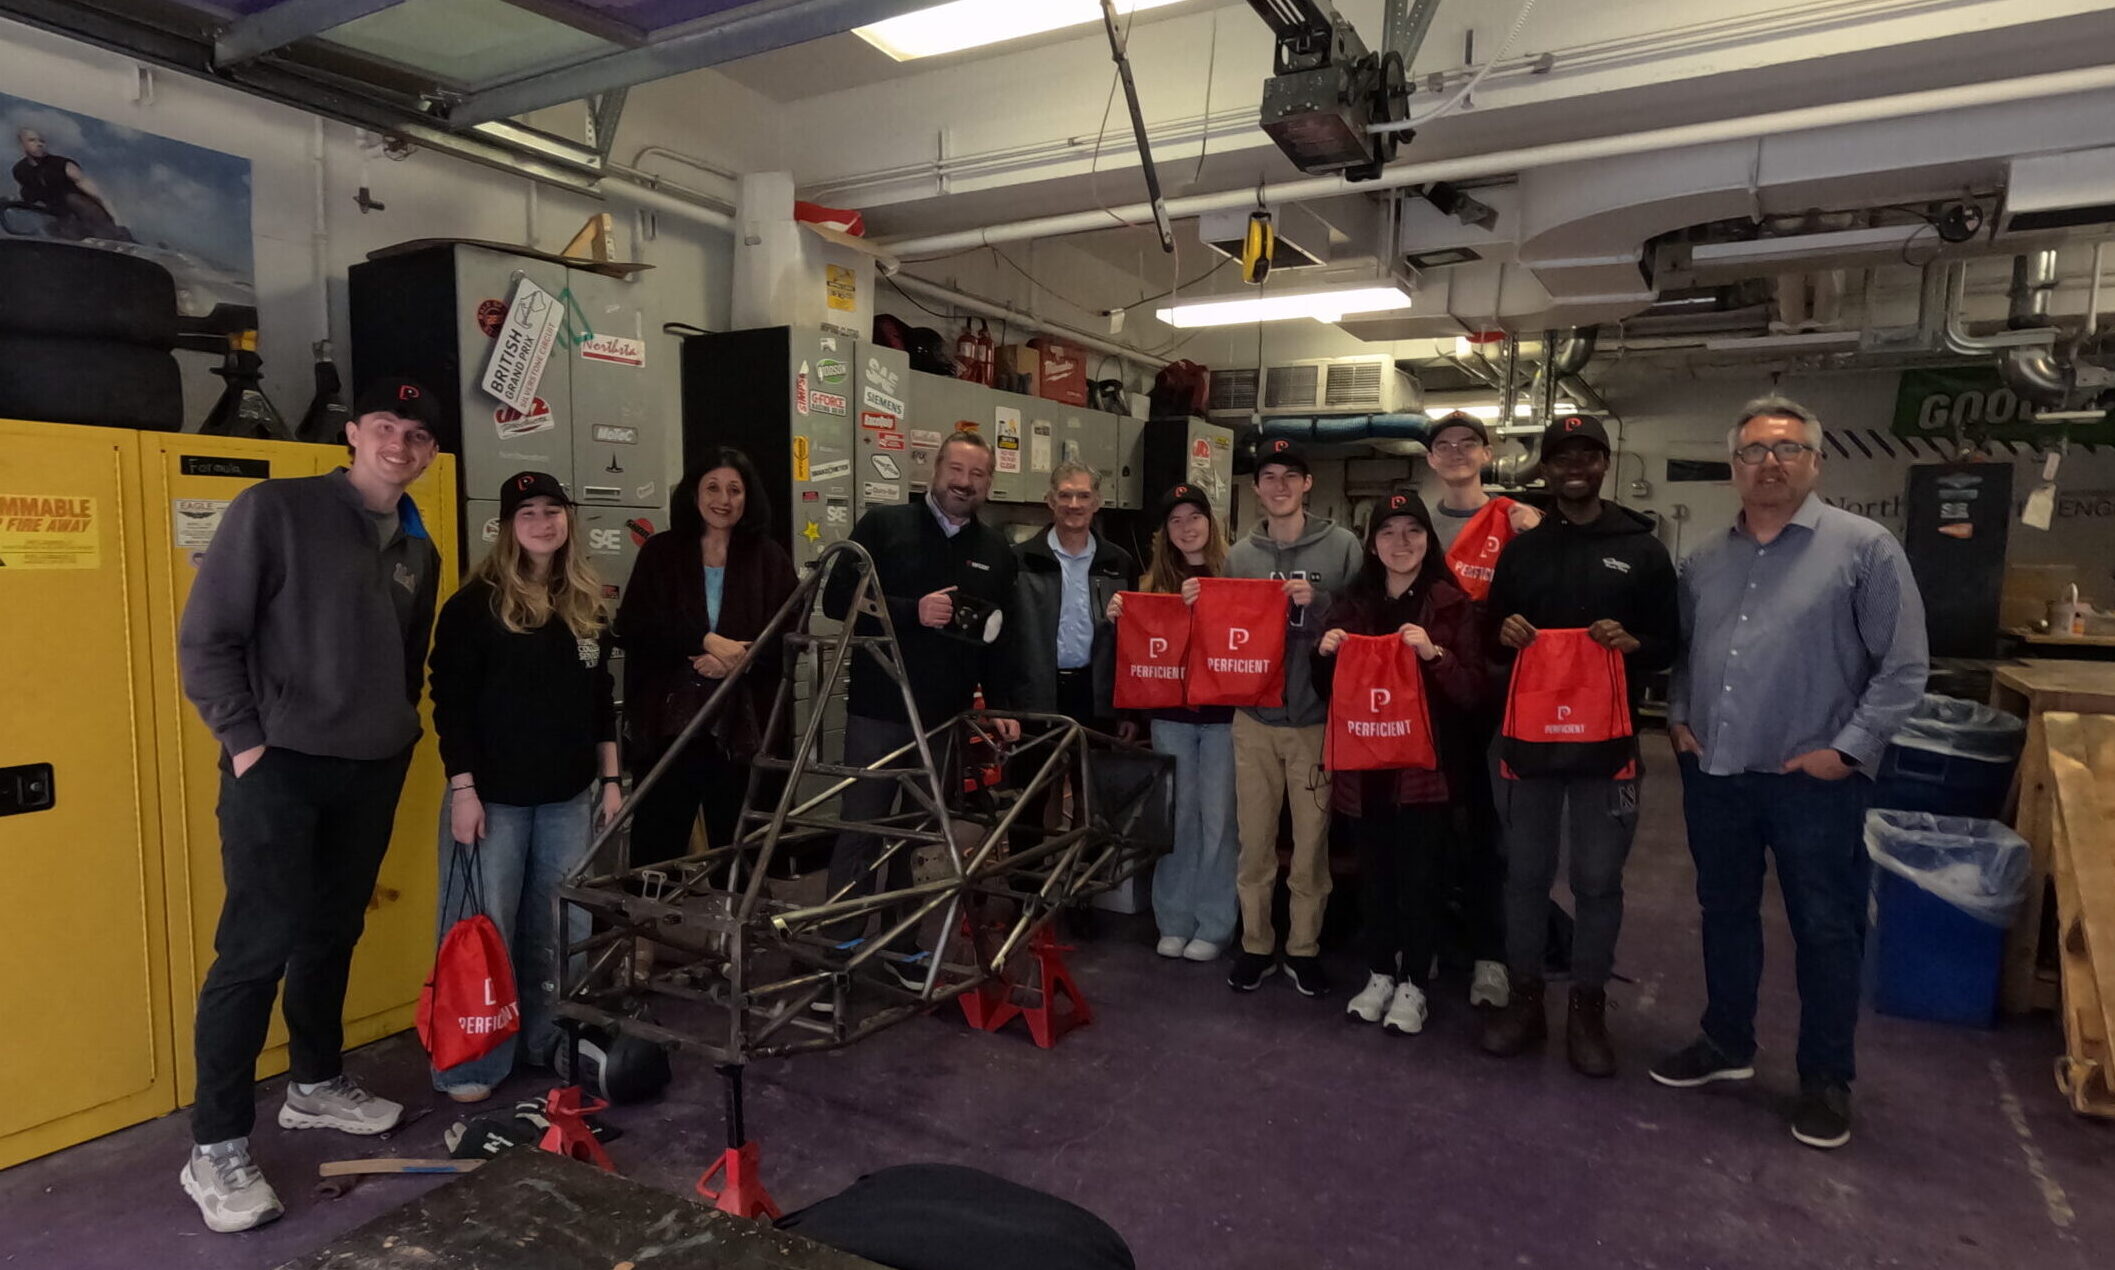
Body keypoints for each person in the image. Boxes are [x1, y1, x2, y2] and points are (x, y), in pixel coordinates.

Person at [175, 377, 442, 1233]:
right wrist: (249, 745)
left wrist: (395, 734)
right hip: (278, 767)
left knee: (333, 930)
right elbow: (207, 639)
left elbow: (409, 658)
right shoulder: (275, 510)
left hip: (369, 767)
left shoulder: (417, 547)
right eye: (386, 426)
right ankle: (214, 1145)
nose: (401, 443)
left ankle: (315, 1084)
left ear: (431, 454)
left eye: (418, 435)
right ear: (355, 433)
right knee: (255, 949)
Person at [1651, 396, 1928, 1151]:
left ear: (1814, 461)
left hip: (1815, 780)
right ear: (1733, 465)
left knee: (1826, 928)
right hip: (1715, 772)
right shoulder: (1704, 560)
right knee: (1725, 912)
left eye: (1786, 448)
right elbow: (1686, 652)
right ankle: (1726, 1044)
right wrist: (1677, 717)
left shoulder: (1864, 549)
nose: (1769, 462)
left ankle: (1824, 1078)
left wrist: (1845, 751)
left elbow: (1902, 669)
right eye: (1753, 451)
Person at [1479, 413, 1678, 1077]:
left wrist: (1634, 645)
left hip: (1606, 745)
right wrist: (1502, 631)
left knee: (1597, 879)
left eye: (1586, 454)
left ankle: (1587, 1009)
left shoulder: (1641, 549)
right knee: (1524, 877)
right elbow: (1487, 634)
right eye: (1561, 455)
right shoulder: (1523, 549)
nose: (1573, 466)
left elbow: (1670, 643)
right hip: (1527, 742)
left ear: (1603, 463)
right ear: (1545, 466)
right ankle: (1525, 1000)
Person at [427, 472, 623, 1104]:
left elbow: (601, 702)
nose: (543, 522)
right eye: (528, 513)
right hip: (494, 802)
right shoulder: (474, 606)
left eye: (553, 510)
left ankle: (549, 1040)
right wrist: (463, 789)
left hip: (568, 797)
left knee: (562, 928)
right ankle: (472, 1063)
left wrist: (612, 782)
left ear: (569, 518)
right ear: (507, 526)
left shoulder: (586, 602)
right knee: (483, 930)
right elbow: (450, 704)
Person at [821, 432, 1020, 986]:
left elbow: (998, 636)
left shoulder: (994, 550)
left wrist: (1000, 705)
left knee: (913, 837)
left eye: (977, 474)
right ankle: (836, 953)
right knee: (859, 831)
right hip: (877, 712)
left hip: (943, 717)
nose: (964, 482)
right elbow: (836, 600)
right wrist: (912, 610)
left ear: (988, 483)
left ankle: (901, 945)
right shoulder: (884, 527)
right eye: (956, 469)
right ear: (934, 469)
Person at [1313, 493, 1487, 1034]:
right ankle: (1379, 972)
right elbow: (1328, 692)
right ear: (1372, 543)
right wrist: (1324, 653)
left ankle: (1415, 981)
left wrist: (1436, 655)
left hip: (1425, 774)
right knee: (1376, 877)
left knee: (1422, 878)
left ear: (1428, 542)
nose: (1401, 543)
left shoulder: (1450, 604)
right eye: (1389, 532)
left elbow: (1474, 692)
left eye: (1413, 531)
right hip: (1366, 770)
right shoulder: (1352, 603)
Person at [1225, 438, 1364, 997]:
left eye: (1291, 475)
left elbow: (1363, 623)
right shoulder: (1239, 556)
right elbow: (1223, 634)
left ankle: (1303, 948)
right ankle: (1256, 944)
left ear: (1309, 484)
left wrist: (1321, 603)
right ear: (1256, 489)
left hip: (1314, 723)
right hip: (1253, 723)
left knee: (1310, 848)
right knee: (1253, 844)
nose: (1279, 485)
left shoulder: (1344, 548)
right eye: (1268, 476)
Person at [616, 448, 798, 867]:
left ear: (748, 497)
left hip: (744, 729)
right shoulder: (661, 552)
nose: (724, 499)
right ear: (693, 494)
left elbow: (793, 630)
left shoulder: (768, 556)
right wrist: (705, 640)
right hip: (670, 725)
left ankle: (733, 934)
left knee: (741, 853)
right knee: (657, 850)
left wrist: (740, 658)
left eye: (735, 489)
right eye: (712, 487)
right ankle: (651, 930)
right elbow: (634, 625)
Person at [1423, 410, 1541, 1010]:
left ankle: (1491, 956)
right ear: (1430, 460)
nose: (1456, 452)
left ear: (1488, 453)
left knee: (1489, 829)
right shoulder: (1413, 525)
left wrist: (1538, 531)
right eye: (1444, 445)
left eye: (1468, 443)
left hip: (1491, 699)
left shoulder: (1515, 522)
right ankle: (1437, 944)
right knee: (1430, 828)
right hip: (1425, 698)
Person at [1107, 484, 1239, 962]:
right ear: (1165, 532)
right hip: (1170, 717)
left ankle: (1216, 921)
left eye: (1195, 517)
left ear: (1211, 521)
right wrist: (1120, 617)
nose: (1187, 528)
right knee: (1178, 818)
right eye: (1176, 521)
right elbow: (1134, 648)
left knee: (1220, 819)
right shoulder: (1149, 585)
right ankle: (1175, 917)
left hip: (1225, 716)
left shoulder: (1236, 573)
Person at [995, 461, 1135, 731]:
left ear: (1097, 502)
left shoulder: (1119, 563)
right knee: (1036, 773)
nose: (1074, 504)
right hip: (1034, 699)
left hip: (1097, 699)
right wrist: (1003, 705)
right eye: (1065, 495)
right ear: (1049, 500)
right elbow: (1003, 639)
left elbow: (1130, 644)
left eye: (1083, 496)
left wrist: (1128, 713)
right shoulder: (1019, 560)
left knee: (1093, 773)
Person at [13, 127, 128, 241]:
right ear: (22, 145)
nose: (39, 144)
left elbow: (100, 196)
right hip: (64, 219)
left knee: (72, 199)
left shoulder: (63, 165)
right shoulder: (20, 170)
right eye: (32, 140)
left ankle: (115, 239)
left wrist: (118, 222)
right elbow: (30, 197)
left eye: (41, 141)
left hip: (92, 215)